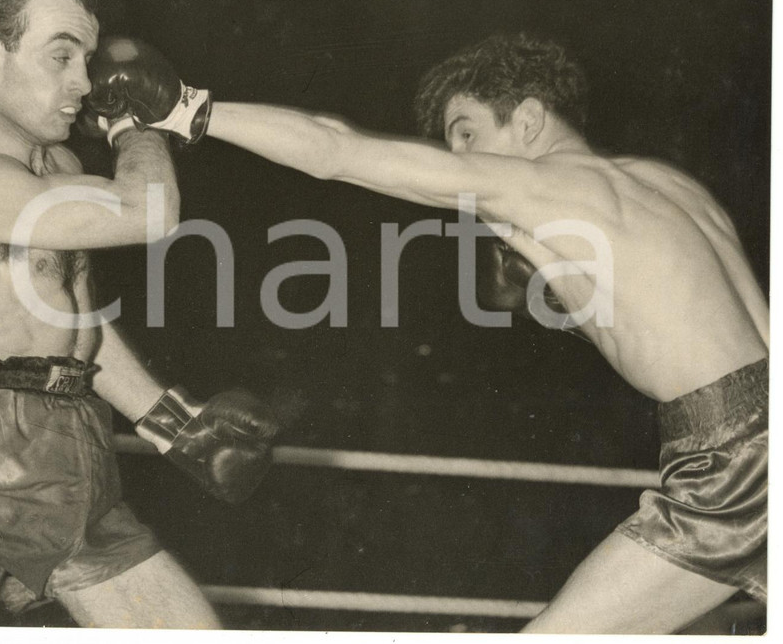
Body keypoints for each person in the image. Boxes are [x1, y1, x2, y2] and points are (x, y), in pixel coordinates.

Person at [87, 32, 768, 634]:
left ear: (529, 119)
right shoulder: (674, 186)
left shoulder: (548, 188)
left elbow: (337, 151)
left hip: (733, 466)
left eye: (468, 132)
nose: (460, 155)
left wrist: (187, 110)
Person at [0, 0, 279, 627]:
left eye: (89, 59)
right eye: (60, 57)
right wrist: (135, 123)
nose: (85, 81)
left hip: (76, 442)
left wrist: (172, 424)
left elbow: (78, 322)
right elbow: (149, 212)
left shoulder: (61, 167)